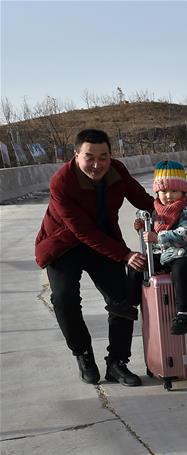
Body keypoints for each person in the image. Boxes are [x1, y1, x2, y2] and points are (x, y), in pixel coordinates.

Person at [35, 129, 153, 386]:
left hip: (102, 241)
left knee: (122, 299)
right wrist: (124, 254)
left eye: (104, 156)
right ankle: (83, 354)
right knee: (64, 299)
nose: (97, 164)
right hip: (64, 245)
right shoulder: (62, 181)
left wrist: (177, 212)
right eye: (89, 157)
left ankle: (117, 363)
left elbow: (144, 200)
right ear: (76, 155)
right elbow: (82, 230)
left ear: (111, 155)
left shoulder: (117, 172)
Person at [135, 160, 187, 335]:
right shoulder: (158, 209)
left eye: (174, 191)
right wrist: (143, 227)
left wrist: (157, 238)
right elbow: (153, 230)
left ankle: (184, 313)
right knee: (138, 263)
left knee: (180, 270)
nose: (168, 196)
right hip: (168, 254)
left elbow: (186, 233)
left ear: (183, 191)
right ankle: (130, 303)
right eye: (163, 191)